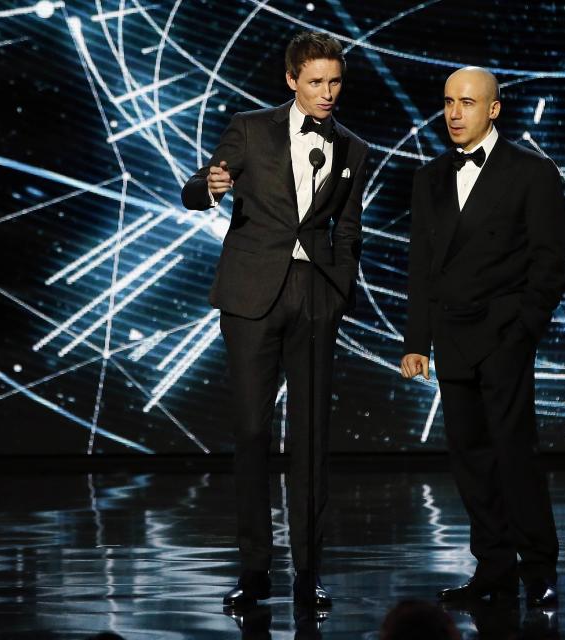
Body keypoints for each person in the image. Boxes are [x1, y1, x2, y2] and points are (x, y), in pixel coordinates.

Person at [181, 31, 368, 608]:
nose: (327, 93)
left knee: (311, 440)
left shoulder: (353, 148)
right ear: (292, 81)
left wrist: (338, 292)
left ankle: (308, 572)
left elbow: (350, 229)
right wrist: (208, 187)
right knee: (253, 434)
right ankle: (255, 571)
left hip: (315, 297)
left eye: (334, 82)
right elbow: (198, 187)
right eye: (315, 82)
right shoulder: (250, 128)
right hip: (251, 295)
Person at [400, 66, 565, 609]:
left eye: (467, 102)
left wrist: (523, 331)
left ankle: (539, 567)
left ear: (493, 109)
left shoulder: (530, 173)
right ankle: (493, 569)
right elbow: (422, 267)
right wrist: (415, 342)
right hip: (451, 336)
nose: (453, 113)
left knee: (514, 455)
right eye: (448, 101)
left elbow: (550, 261)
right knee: (470, 459)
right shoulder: (428, 178)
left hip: (503, 336)